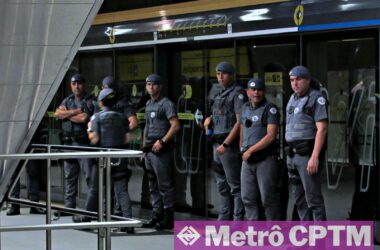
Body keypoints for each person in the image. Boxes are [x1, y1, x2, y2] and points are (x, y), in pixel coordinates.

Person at [88, 88, 134, 234]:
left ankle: (93, 218)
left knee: (98, 189)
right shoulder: (121, 117)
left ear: (101, 102)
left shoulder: (97, 117)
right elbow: (128, 137)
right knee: (121, 191)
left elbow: (94, 139)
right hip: (120, 158)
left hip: (102, 159)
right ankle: (128, 222)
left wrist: (89, 130)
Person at [203, 62, 245, 220]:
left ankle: (237, 222)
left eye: (224, 73)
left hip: (228, 147)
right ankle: (224, 218)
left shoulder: (237, 93)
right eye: (218, 73)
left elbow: (239, 122)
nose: (220, 77)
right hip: (217, 144)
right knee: (221, 185)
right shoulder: (219, 94)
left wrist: (226, 144)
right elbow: (218, 117)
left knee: (235, 186)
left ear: (232, 75)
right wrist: (208, 120)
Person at [285, 65, 328, 221]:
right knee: (300, 201)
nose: (295, 83)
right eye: (292, 80)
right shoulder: (292, 99)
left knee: (313, 201)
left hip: (307, 157)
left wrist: (315, 156)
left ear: (308, 80)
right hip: (292, 156)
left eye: (298, 79)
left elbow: (322, 129)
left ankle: (319, 242)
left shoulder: (316, 98)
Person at [54, 73, 98, 222]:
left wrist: (66, 114)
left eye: (79, 83)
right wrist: (73, 112)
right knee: (69, 177)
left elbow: (84, 118)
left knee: (89, 178)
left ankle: (90, 210)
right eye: (74, 83)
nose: (76, 86)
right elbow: (57, 114)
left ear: (84, 84)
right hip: (68, 143)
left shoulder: (90, 101)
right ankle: (69, 207)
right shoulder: (68, 100)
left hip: (83, 144)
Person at [240, 78, 281, 220]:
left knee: (268, 199)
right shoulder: (245, 107)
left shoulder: (270, 109)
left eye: (259, 90)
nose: (256, 92)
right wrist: (242, 148)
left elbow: (271, 136)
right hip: (247, 161)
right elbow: (242, 129)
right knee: (248, 198)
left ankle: (273, 234)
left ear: (264, 92)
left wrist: (250, 150)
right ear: (247, 92)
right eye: (253, 89)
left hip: (265, 160)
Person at [142, 74, 180, 230]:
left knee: (164, 185)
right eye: (149, 84)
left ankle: (168, 216)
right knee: (152, 184)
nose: (151, 87)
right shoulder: (148, 104)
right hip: (149, 149)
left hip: (161, 149)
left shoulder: (166, 104)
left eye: (154, 84)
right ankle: (156, 214)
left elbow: (176, 125)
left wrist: (162, 141)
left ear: (160, 86)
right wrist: (143, 148)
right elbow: (146, 126)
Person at [7, 121, 49, 216]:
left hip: (32, 143)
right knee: (14, 176)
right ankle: (14, 205)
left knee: (33, 174)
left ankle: (34, 204)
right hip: (15, 144)